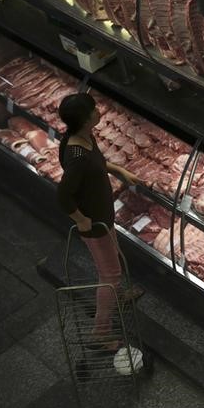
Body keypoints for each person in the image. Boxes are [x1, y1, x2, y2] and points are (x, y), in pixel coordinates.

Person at [57, 93, 143, 349]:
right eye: (94, 110)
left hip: (102, 216)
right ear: (85, 119)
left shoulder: (83, 138)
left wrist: (119, 171)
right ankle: (100, 332)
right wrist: (82, 220)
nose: (98, 111)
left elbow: (97, 165)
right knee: (110, 273)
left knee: (111, 262)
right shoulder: (76, 156)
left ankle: (119, 294)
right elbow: (63, 197)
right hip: (94, 223)